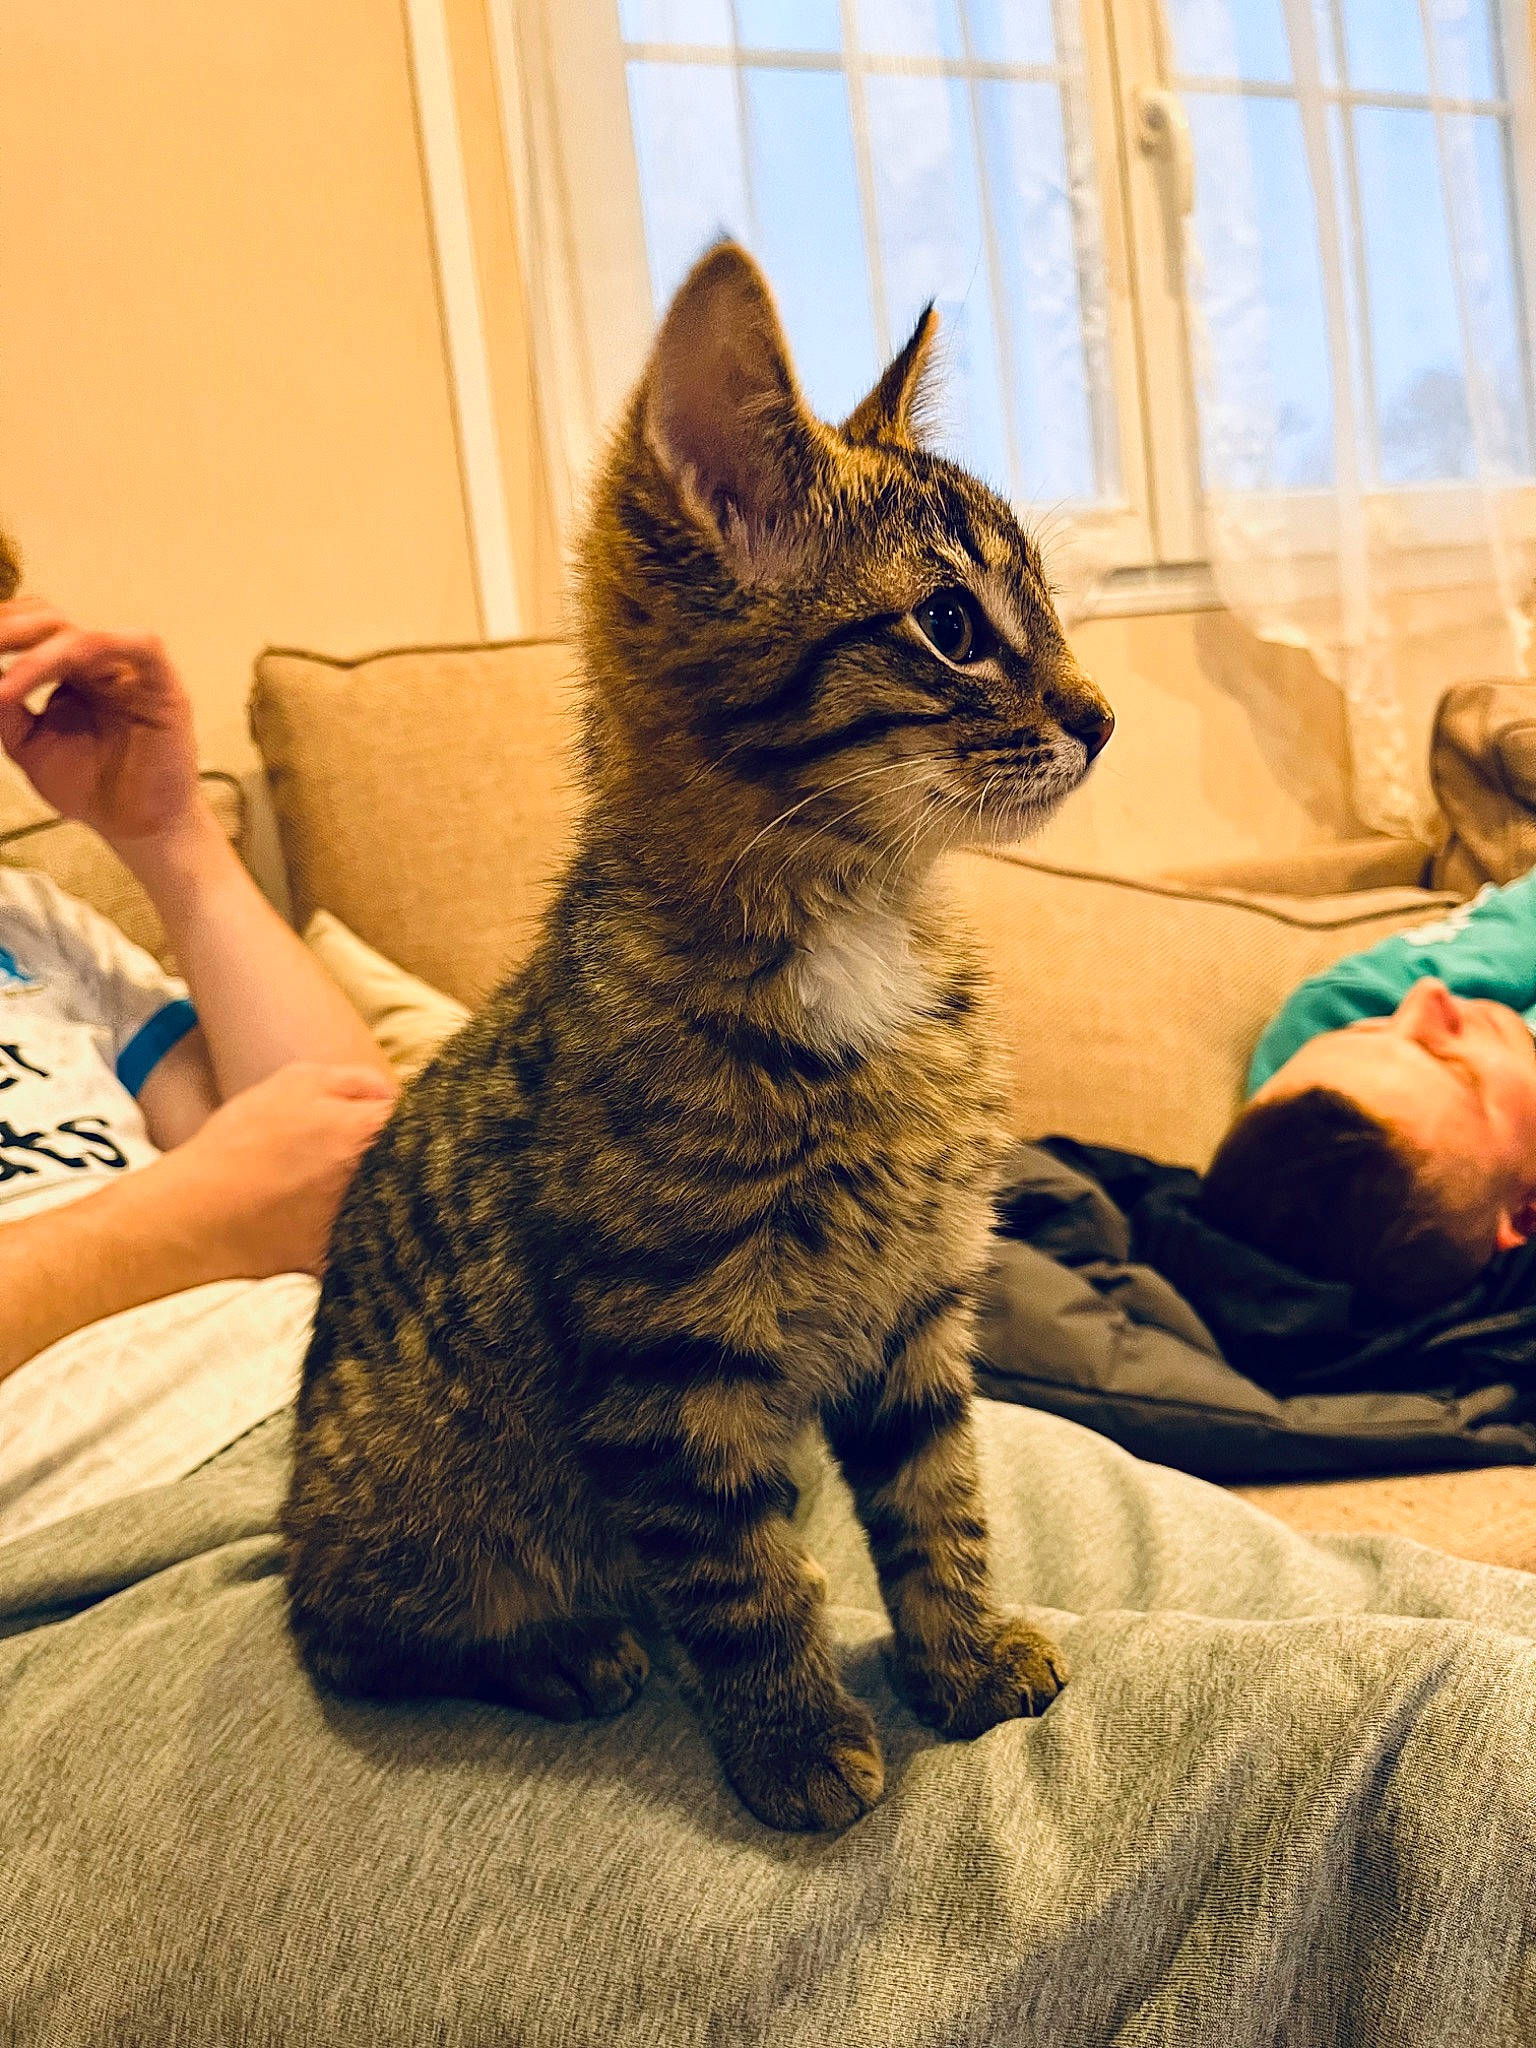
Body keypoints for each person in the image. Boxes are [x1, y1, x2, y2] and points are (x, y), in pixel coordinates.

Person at [0, 574, 396, 1539]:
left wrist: (167, 832)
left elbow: (350, 1156)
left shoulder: (29, 919)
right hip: (122, 1531)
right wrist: (194, 1219)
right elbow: (249, 1192)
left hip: (382, 1392)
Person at [1199, 872, 1536, 1310]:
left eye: (1373, 1027)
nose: (1426, 997)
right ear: (1526, 1214)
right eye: (1457, 1069)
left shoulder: (1326, 1027)